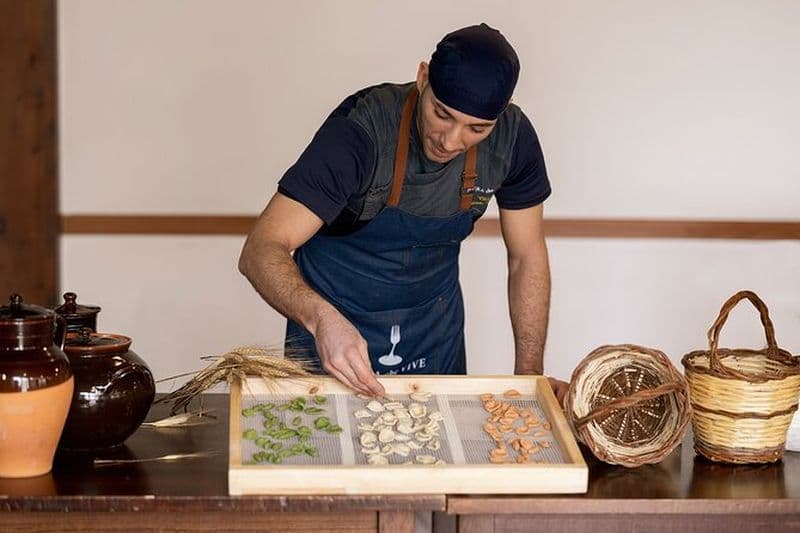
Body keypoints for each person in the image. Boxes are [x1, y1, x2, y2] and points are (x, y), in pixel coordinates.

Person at [239, 23, 569, 402]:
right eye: (442, 114)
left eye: (476, 128)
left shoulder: (513, 140)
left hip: (434, 336)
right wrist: (321, 319)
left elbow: (526, 256)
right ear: (422, 77)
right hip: (333, 335)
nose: (451, 141)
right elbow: (261, 248)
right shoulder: (360, 132)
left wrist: (530, 378)